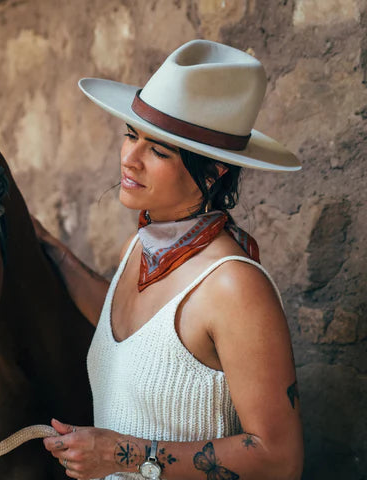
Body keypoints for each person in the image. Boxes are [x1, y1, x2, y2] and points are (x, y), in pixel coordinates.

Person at [37, 40, 304, 480]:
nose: (130, 158)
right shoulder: (139, 249)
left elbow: (279, 458)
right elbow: (140, 344)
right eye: (130, 133)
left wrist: (120, 455)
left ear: (214, 172)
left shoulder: (233, 287)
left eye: (159, 150)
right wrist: (47, 245)